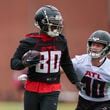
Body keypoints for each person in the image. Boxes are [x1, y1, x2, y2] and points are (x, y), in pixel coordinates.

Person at [10, 5, 81, 110]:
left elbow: (66, 63)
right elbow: (13, 63)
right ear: (41, 24)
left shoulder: (61, 41)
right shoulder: (29, 42)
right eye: (53, 25)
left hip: (52, 88)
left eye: (57, 25)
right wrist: (24, 63)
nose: (56, 28)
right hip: (32, 88)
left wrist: (75, 81)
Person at [71, 30, 110, 110]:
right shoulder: (80, 61)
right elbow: (61, 68)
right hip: (83, 101)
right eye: (93, 44)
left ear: (106, 48)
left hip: (104, 103)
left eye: (98, 45)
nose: (94, 48)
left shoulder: (108, 67)